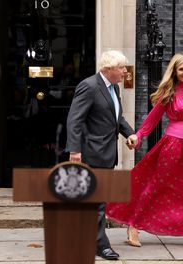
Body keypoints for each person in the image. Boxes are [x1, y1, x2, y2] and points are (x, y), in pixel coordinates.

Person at [107, 53, 183, 252]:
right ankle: (134, 225)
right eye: (182, 69)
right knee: (156, 185)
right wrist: (139, 135)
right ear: (175, 72)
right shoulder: (169, 92)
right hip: (172, 145)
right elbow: (153, 118)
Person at [66, 50, 138, 260]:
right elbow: (75, 120)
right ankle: (101, 245)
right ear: (108, 69)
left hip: (106, 153)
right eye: (121, 67)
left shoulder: (113, 87)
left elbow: (117, 118)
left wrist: (130, 133)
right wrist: (75, 150)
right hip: (92, 153)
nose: (125, 71)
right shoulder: (89, 86)